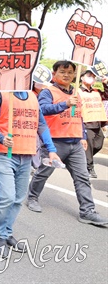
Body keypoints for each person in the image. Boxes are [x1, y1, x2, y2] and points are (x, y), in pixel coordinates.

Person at [27, 61, 108, 226]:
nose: (67, 75)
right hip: (54, 143)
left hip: (75, 143)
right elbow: (42, 110)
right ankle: (32, 197)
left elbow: (79, 116)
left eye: (70, 72)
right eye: (63, 72)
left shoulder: (76, 92)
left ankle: (87, 211)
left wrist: (83, 136)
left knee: (83, 177)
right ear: (54, 73)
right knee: (43, 173)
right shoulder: (47, 92)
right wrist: (64, 104)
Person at [0, 89, 61, 259]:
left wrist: (52, 149)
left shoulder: (33, 96)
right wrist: (0, 137)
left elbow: (40, 124)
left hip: (25, 155)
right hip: (2, 154)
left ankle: (7, 232)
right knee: (6, 197)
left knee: (18, 198)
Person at [78, 70, 108, 178]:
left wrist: (105, 83)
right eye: (89, 76)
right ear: (82, 78)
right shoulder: (78, 92)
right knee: (89, 147)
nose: (92, 78)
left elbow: (107, 95)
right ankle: (89, 168)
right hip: (86, 123)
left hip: (97, 122)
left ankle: (81, 159)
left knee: (98, 145)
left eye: (93, 76)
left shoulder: (97, 91)